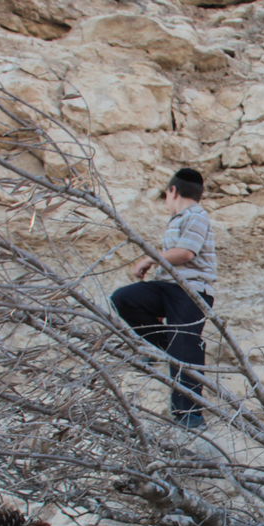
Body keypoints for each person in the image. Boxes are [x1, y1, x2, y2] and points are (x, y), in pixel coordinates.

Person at [110, 168, 216, 428]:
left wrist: (149, 258)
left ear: (173, 191)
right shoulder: (179, 219)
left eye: (166, 196)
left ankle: (189, 413)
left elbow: (187, 253)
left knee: (186, 345)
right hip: (168, 286)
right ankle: (160, 347)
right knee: (125, 299)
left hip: (192, 290)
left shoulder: (196, 216)